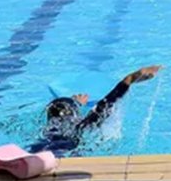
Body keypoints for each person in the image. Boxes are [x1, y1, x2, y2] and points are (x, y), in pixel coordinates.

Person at [34, 65, 162, 154]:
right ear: (74, 114)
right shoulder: (77, 129)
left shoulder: (46, 133)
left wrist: (76, 103)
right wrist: (130, 79)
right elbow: (105, 105)